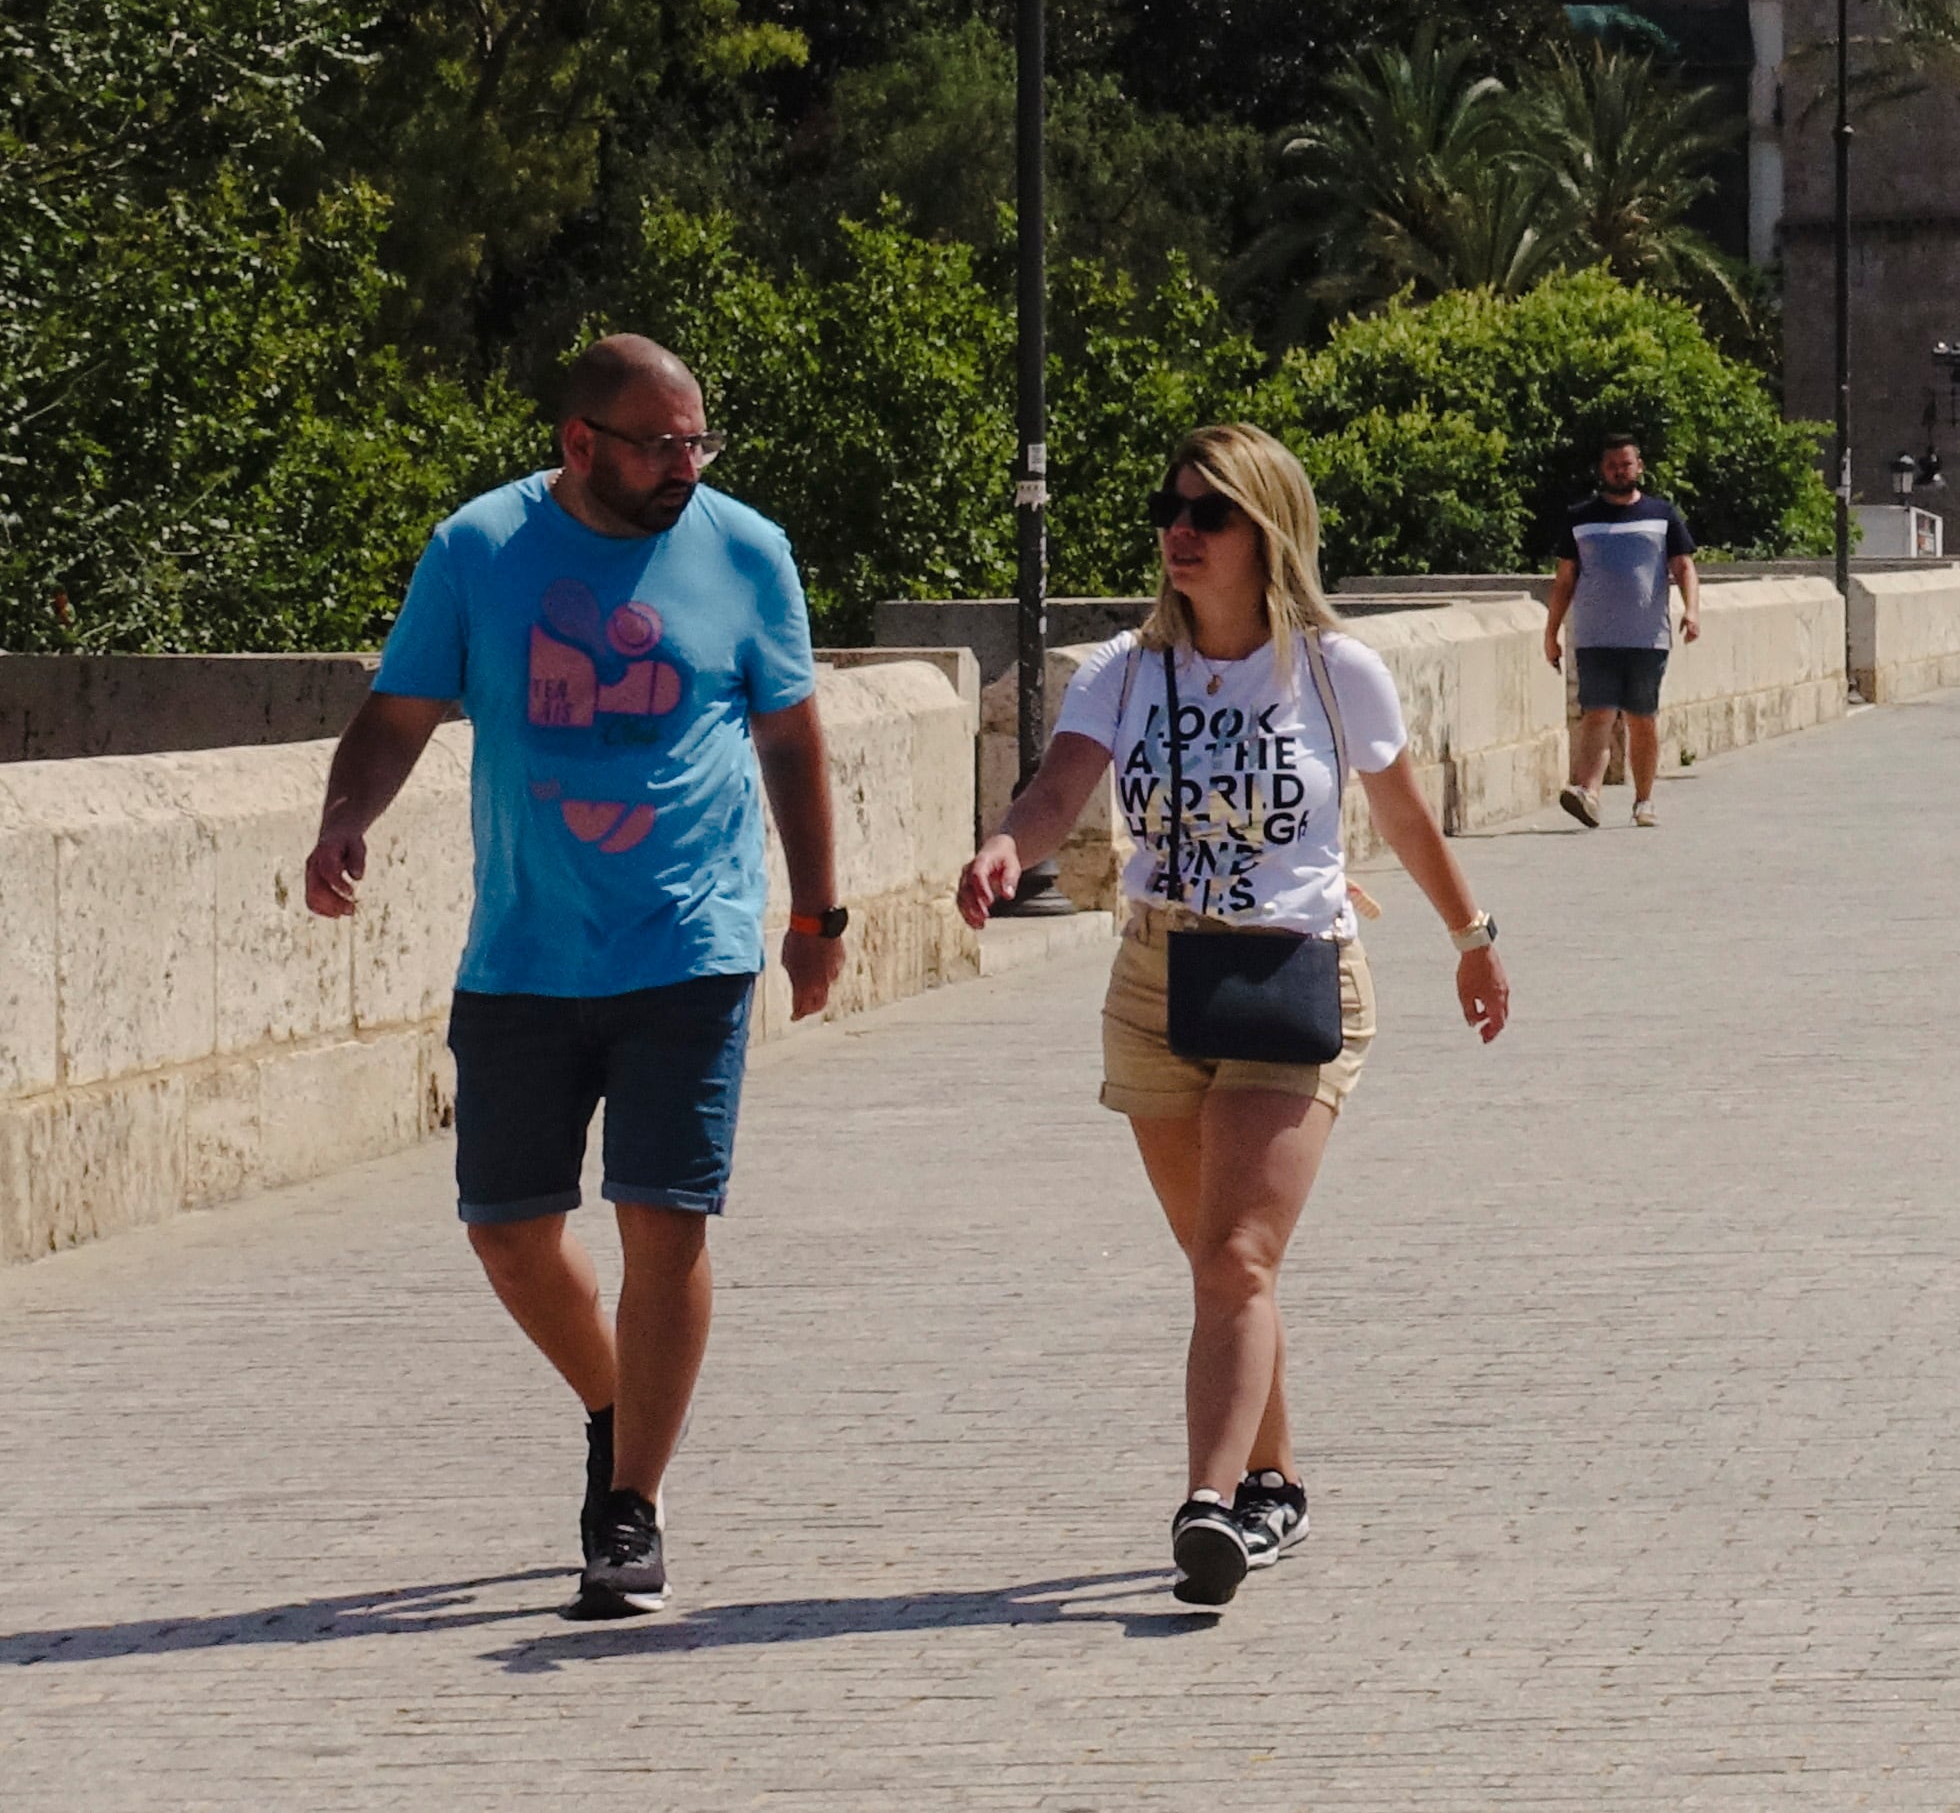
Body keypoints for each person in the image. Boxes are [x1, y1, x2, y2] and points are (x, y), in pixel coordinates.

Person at [300, 334, 845, 1621]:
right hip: (526, 952)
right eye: (656, 442)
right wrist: (343, 818)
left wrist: (818, 908)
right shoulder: (480, 551)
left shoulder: (749, 549)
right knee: (508, 1230)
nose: (682, 465)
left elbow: (792, 734)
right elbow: (397, 713)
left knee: (664, 1215)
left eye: (697, 439)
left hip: (689, 943)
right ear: (579, 442)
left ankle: (631, 1507)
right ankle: (617, 1405)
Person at [959, 423, 1515, 1608]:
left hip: (1292, 971)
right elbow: (1062, 781)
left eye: (1207, 513)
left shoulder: (1330, 669)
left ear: (1266, 531)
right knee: (1222, 1269)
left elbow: (1406, 818)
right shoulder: (1123, 668)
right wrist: (1011, 844)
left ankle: (1208, 1506)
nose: (1179, 530)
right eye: (1170, 508)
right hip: (1156, 979)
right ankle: (1276, 1482)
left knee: (1236, 1255)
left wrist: (1472, 939)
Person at [1539, 432, 1705, 828]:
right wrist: (1552, 632)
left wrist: (1692, 610)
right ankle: (1587, 793)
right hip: (1594, 636)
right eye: (1612, 464)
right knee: (1596, 714)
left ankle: (1644, 799)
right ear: (1603, 469)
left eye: (1626, 464)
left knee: (1641, 718)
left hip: (1647, 637)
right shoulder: (1580, 518)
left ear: (1639, 467)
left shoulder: (1662, 514)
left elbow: (1684, 566)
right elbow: (1564, 580)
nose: (1619, 471)